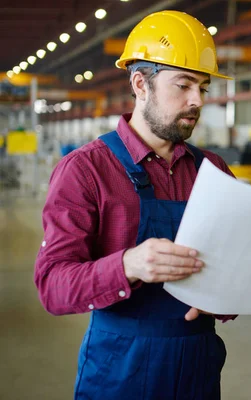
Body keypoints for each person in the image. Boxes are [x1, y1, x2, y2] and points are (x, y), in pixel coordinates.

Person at [34, 10, 235, 399]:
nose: (197, 100)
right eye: (184, 85)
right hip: (119, 370)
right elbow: (53, 286)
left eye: (204, 88)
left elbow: (242, 265)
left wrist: (227, 296)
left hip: (198, 367)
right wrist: (128, 265)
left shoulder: (213, 171)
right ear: (140, 83)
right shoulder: (86, 170)